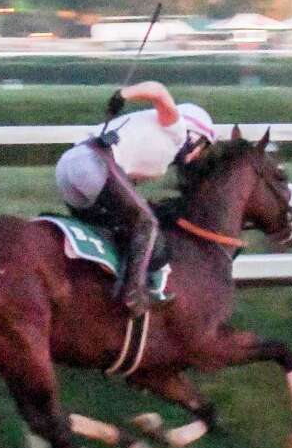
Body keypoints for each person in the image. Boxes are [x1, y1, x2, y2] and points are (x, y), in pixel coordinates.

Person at [55, 81, 216, 316]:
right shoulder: (177, 129)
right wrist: (123, 94)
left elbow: (123, 185)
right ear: (195, 135)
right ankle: (134, 295)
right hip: (93, 165)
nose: (196, 156)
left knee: (115, 227)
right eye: (202, 147)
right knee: (147, 224)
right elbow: (158, 91)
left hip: (67, 168)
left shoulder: (151, 143)